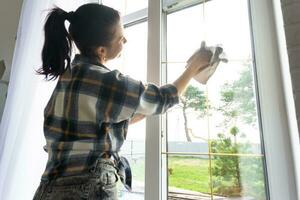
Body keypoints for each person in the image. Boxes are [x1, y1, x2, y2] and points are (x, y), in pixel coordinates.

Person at [33, 3, 214, 200]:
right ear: (101, 50)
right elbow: (163, 99)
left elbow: (98, 123)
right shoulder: (107, 81)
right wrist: (194, 67)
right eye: (121, 38)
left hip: (48, 188)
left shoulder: (67, 78)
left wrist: (139, 109)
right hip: (88, 186)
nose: (125, 40)